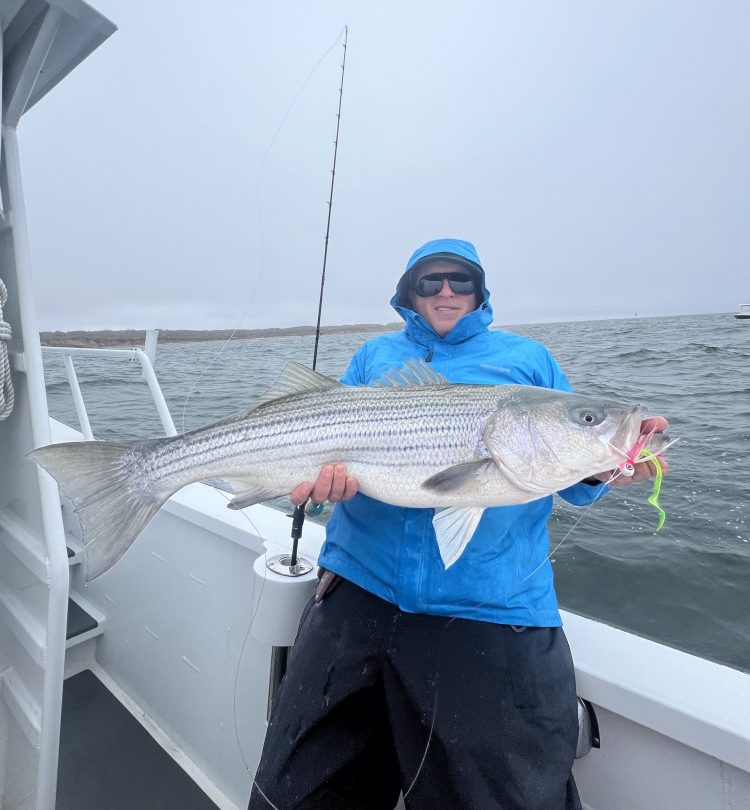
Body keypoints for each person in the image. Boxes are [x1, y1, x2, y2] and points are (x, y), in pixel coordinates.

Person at [248, 238, 668, 810]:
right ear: (409, 292)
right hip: (358, 591)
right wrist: (320, 495)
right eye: (431, 281)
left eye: (460, 281)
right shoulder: (374, 356)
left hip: (490, 610)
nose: (446, 292)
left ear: (479, 291)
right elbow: (325, 463)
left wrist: (606, 464)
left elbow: (570, 478)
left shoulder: (528, 359)